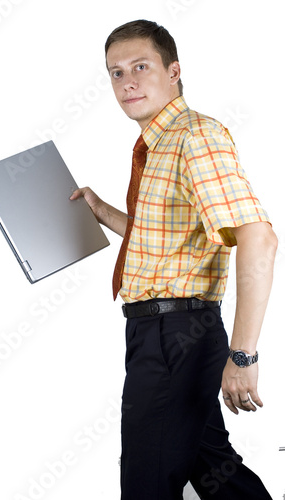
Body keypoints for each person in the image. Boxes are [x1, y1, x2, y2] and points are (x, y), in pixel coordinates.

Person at [70, 19, 277, 500]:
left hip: (174, 335)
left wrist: (243, 355)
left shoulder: (193, 136)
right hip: (166, 333)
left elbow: (258, 238)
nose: (128, 82)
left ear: (174, 70)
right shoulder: (158, 144)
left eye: (140, 67)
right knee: (216, 471)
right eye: (116, 73)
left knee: (147, 482)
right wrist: (103, 213)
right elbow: (171, 240)